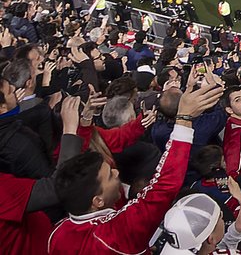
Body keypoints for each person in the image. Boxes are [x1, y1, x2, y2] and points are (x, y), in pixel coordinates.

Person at [49, 74, 224, 255]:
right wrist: (184, 119)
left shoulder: (57, 233)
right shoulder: (116, 234)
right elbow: (165, 185)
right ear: (97, 201)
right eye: (110, 176)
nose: (117, 174)